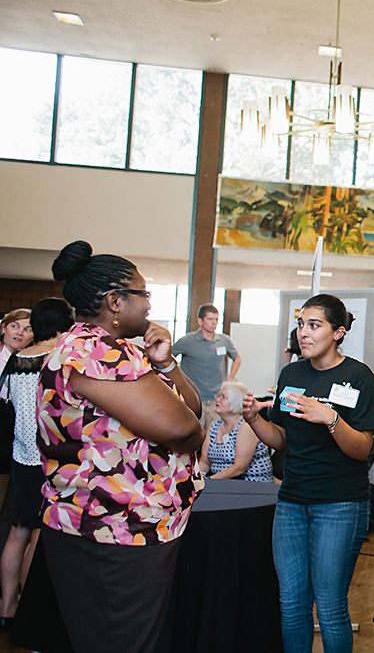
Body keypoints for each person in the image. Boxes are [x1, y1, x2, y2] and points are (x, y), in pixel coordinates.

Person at [37, 240, 205, 653]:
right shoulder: (95, 351)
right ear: (114, 301)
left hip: (125, 525)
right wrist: (189, 428)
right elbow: (184, 428)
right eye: (142, 294)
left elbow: (193, 407)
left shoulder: (125, 350)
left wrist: (166, 364)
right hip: (111, 529)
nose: (149, 304)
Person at [241, 294, 374, 653]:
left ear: (338, 332)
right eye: (301, 324)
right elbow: (281, 438)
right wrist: (255, 419)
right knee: (291, 606)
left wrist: (330, 418)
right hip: (291, 503)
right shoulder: (291, 374)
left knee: (331, 608)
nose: (303, 333)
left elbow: (362, 449)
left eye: (314, 325)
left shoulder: (358, 377)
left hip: (339, 504)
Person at [0, 298, 74, 627]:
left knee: (17, 531)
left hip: (20, 457)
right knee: (38, 537)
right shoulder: (56, 358)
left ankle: (7, 608)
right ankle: (31, 615)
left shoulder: (16, 359)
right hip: (48, 460)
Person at [173, 303, 241, 431]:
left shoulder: (224, 340)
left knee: (214, 437)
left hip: (216, 399)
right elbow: (168, 357)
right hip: (193, 399)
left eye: (216, 319)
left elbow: (237, 358)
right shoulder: (188, 341)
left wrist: (230, 378)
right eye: (210, 319)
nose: (214, 323)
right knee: (192, 436)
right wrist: (177, 378)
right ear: (200, 321)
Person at [199, 381, 273, 482]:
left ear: (236, 401)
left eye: (223, 397)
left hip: (250, 485)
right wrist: (199, 475)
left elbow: (239, 468)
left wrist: (209, 480)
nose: (217, 400)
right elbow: (205, 461)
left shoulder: (246, 426)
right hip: (221, 483)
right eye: (218, 395)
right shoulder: (214, 425)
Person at [0, 310, 32, 398]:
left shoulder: (36, 364)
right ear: (3, 328)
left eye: (27, 330)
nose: (19, 333)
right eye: (14, 326)